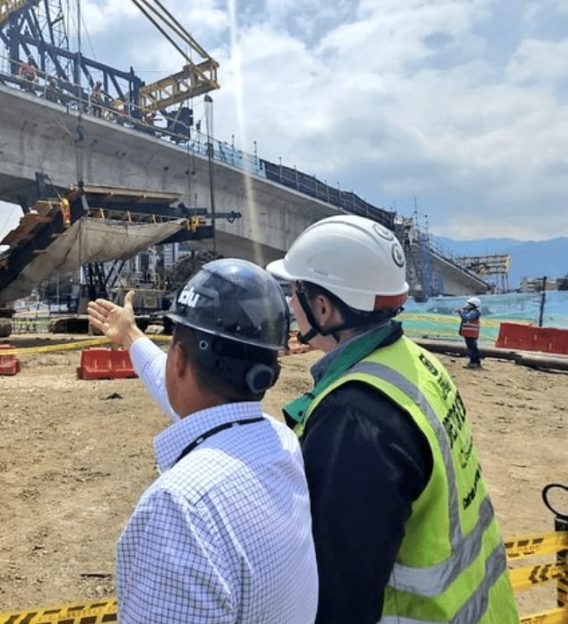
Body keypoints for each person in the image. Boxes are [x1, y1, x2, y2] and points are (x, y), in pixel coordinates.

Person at [266, 215, 517, 623]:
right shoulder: (417, 363)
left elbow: (337, 599)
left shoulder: (353, 419)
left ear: (323, 308)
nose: (291, 305)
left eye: (295, 293)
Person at [88, 259, 318, 624]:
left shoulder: (180, 509)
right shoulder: (281, 443)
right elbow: (195, 406)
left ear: (177, 359)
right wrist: (131, 336)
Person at [458, 296, 483, 368]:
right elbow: (463, 322)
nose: (466, 305)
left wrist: (461, 312)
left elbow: (467, 318)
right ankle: (476, 362)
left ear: (473, 305)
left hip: (472, 334)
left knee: (472, 349)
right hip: (468, 334)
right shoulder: (469, 311)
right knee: (471, 348)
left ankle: (474, 362)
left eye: (469, 304)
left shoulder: (474, 312)